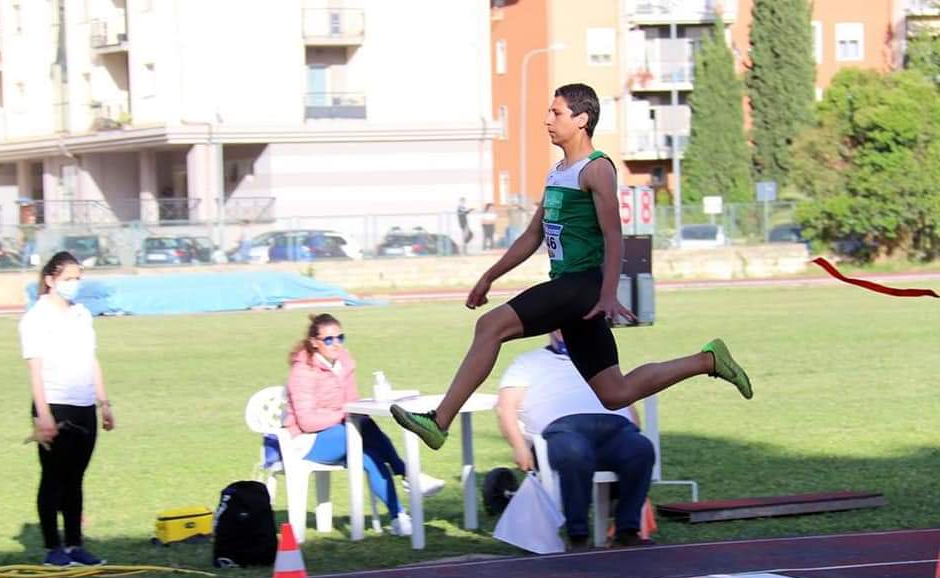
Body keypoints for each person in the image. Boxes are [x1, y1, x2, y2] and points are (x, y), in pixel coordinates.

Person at [391, 83, 752, 450]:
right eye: (549, 112)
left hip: (583, 287)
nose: (547, 120)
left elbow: (614, 235)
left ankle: (440, 421)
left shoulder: (597, 169)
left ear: (582, 119)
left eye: (557, 113)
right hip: (573, 291)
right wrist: (489, 277)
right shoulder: (557, 172)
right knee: (614, 393)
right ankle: (709, 360)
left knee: (490, 326)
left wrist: (609, 293)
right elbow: (532, 235)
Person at [283, 313, 444, 537]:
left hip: (341, 432)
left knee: (369, 453)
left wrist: (354, 411)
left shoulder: (344, 362)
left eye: (340, 338)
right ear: (314, 342)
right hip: (306, 442)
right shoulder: (303, 371)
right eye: (328, 340)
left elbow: (353, 402)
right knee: (358, 429)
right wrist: (344, 414)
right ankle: (409, 475)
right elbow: (307, 422)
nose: (336, 344)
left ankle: (398, 517)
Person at [496, 330, 655, 548]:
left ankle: (627, 531)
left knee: (641, 448)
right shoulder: (527, 362)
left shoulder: (601, 360)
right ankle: (578, 535)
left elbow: (626, 401)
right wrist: (519, 446)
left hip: (616, 429)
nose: (564, 330)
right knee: (575, 453)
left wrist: (633, 429)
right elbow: (505, 407)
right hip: (564, 430)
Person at [19, 251, 115, 566]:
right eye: (67, 278)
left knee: (75, 478)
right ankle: (53, 548)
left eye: (77, 278)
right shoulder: (36, 318)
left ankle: (75, 544)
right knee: (53, 477)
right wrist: (44, 414)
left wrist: (104, 403)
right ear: (50, 280)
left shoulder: (82, 314)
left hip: (84, 405)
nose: (73, 284)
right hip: (55, 405)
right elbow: (35, 369)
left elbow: (91, 359)